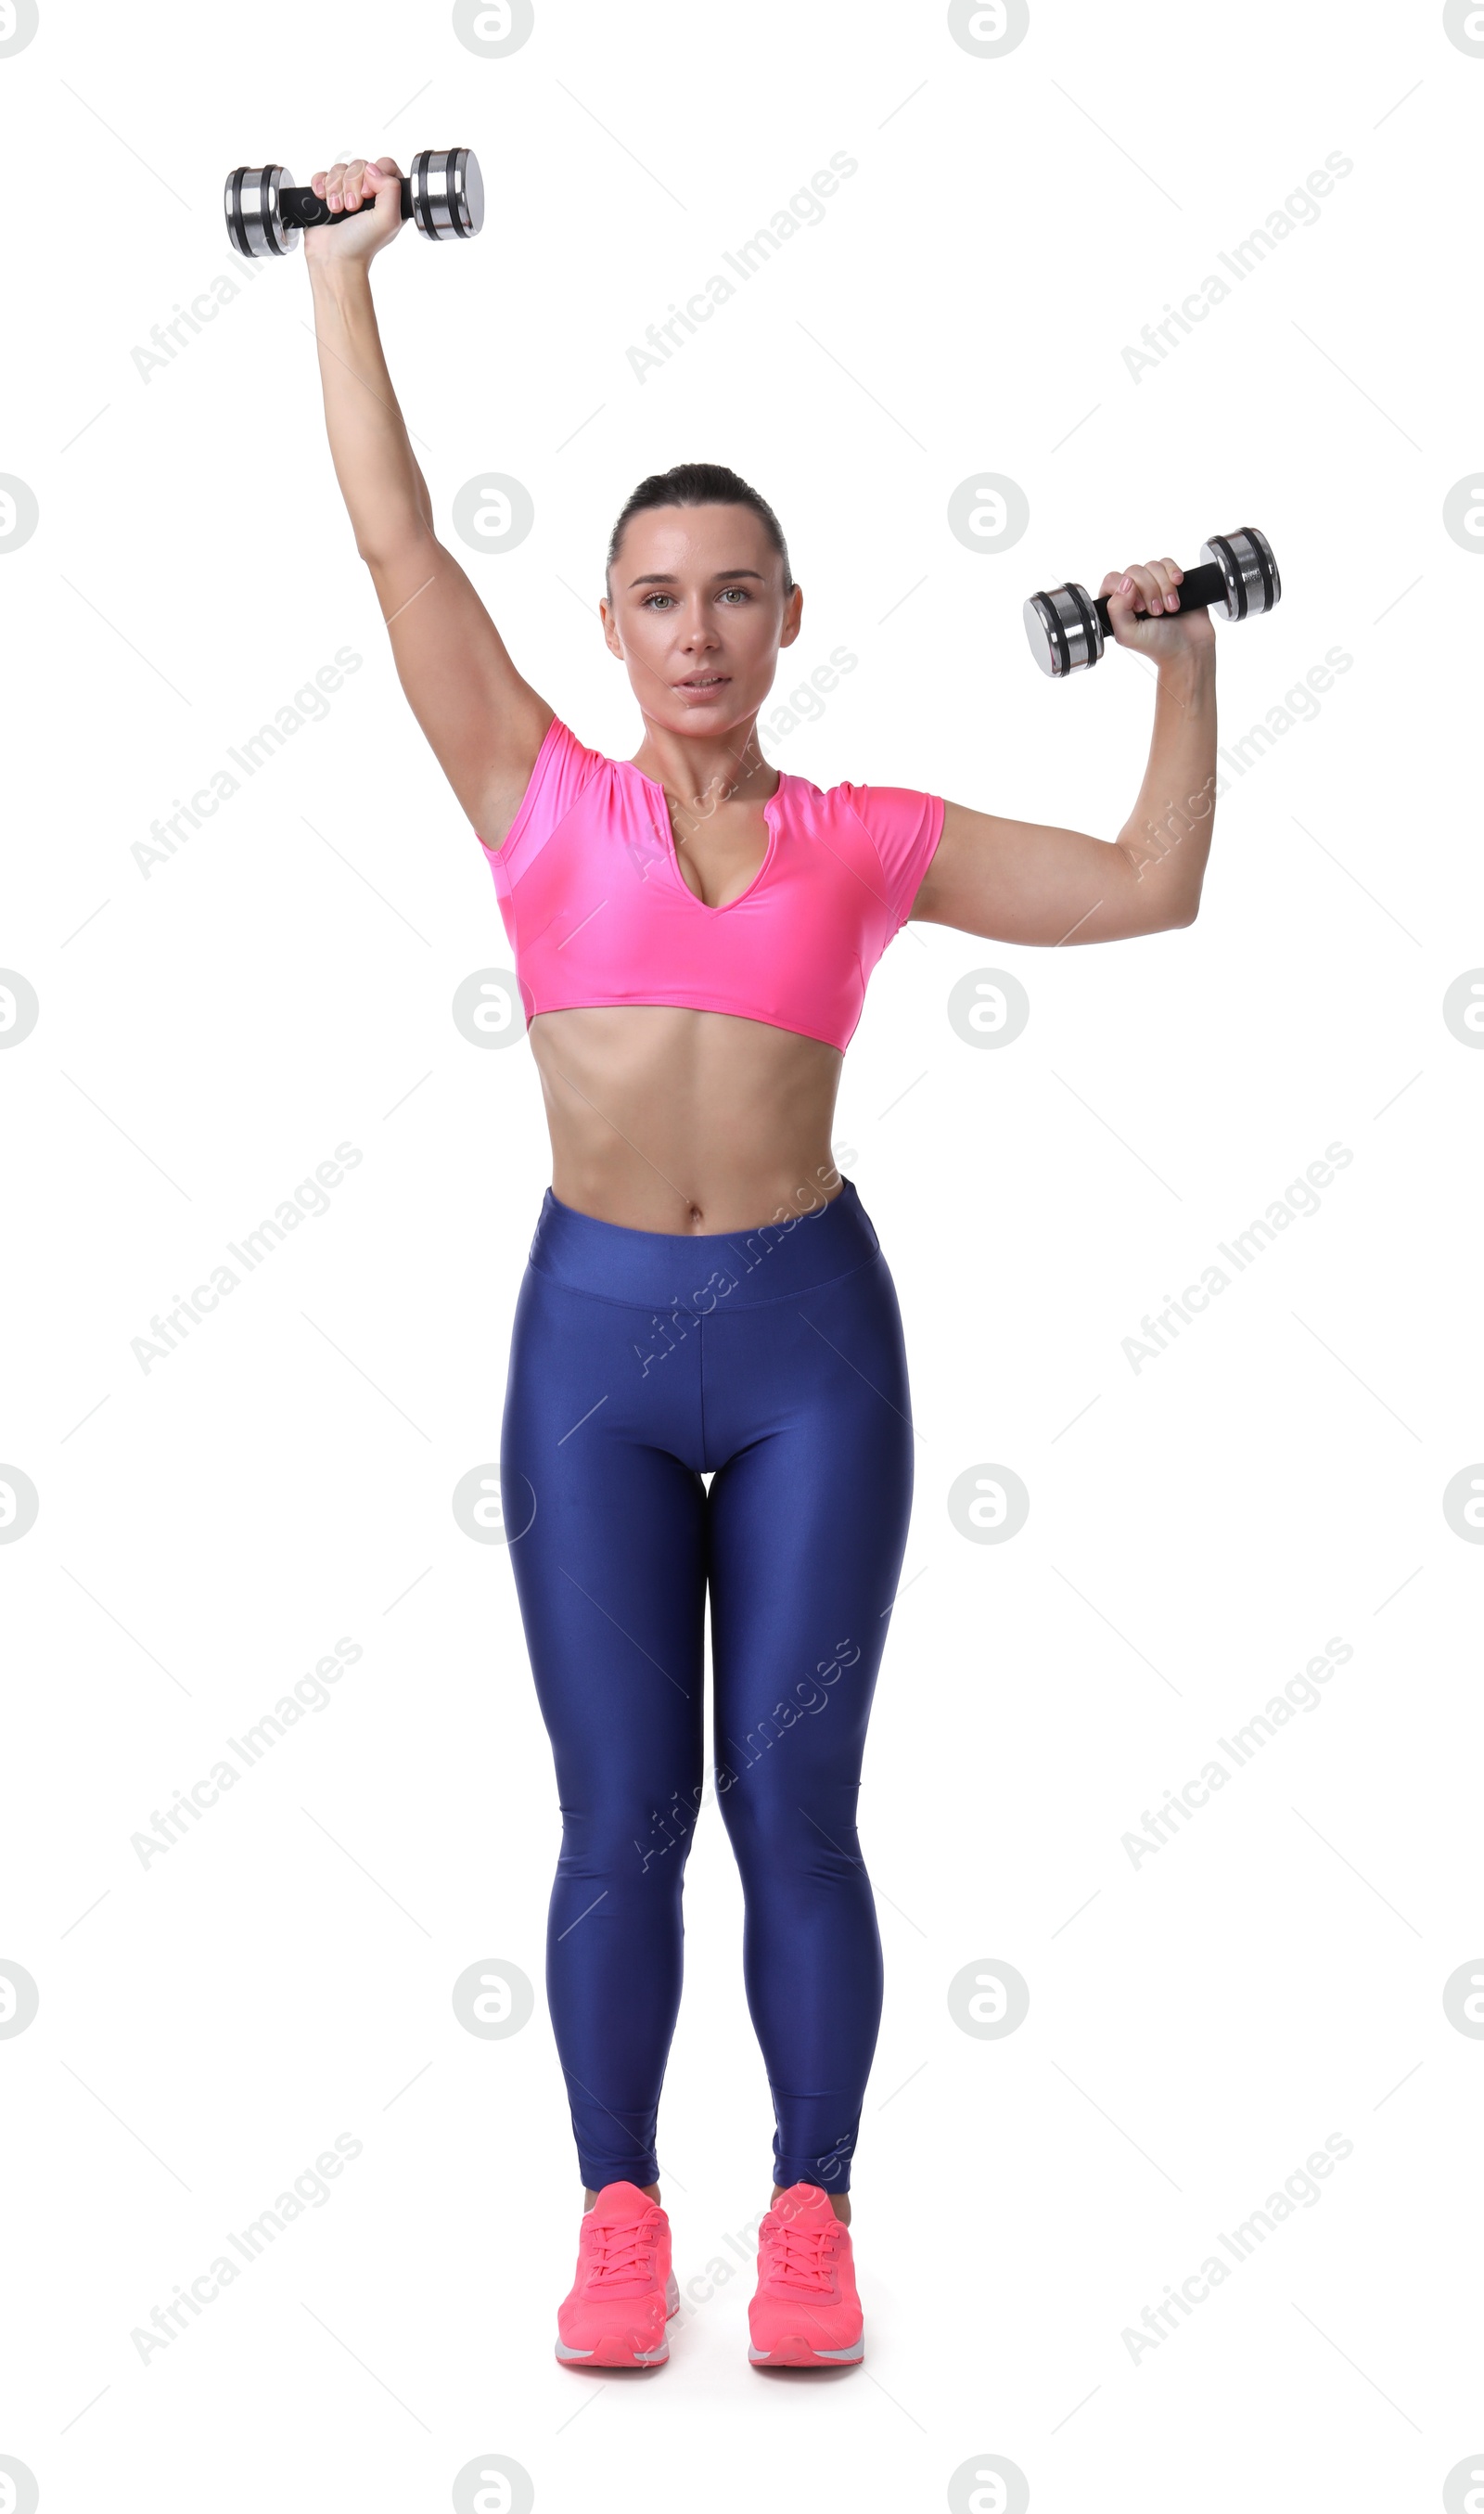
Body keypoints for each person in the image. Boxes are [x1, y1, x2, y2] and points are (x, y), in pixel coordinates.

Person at [302, 153, 1218, 2372]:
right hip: (592, 1353)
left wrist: (1177, 666)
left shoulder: (863, 840)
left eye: (730, 592)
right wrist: (342, 276)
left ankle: (807, 2219)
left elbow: (1142, 885)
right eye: (651, 596)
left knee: (792, 1805)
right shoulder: (533, 795)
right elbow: (397, 543)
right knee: (620, 1807)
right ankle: (620, 2216)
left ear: (787, 617)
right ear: (608, 627)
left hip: (812, 1350)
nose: (692, 629)